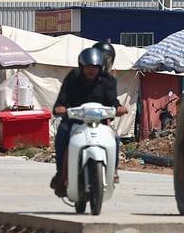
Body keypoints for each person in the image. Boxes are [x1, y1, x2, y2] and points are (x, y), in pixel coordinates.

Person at [51, 46, 127, 193]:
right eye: (88, 67)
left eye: (95, 67)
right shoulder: (73, 77)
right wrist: (60, 107)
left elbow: (113, 101)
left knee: (115, 138)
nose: (91, 70)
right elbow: (62, 98)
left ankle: (114, 170)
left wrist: (118, 108)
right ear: (82, 66)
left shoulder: (108, 80)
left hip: (100, 122)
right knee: (61, 135)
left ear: (100, 67)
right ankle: (61, 173)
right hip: (74, 121)